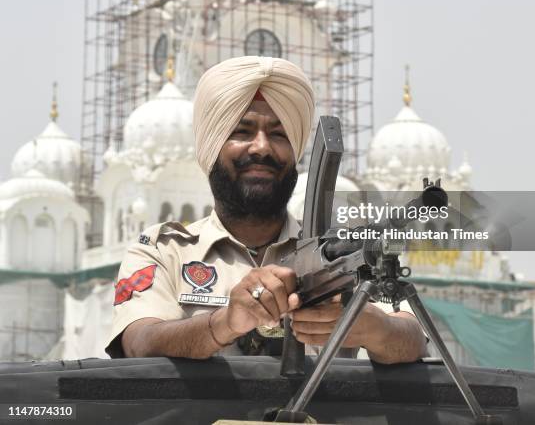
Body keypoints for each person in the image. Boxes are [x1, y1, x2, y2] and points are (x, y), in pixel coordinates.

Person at [105, 56, 427, 363]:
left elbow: (413, 339)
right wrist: (224, 323)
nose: (261, 147)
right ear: (211, 147)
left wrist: (374, 328)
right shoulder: (165, 251)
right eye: (242, 132)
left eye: (278, 134)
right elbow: (138, 341)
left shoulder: (336, 252)